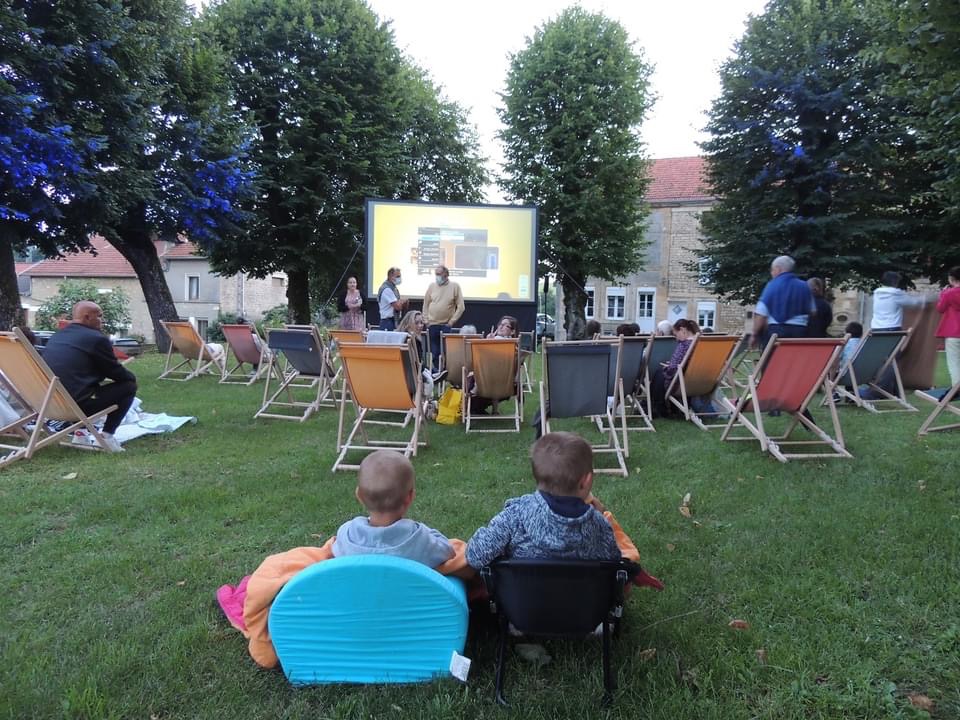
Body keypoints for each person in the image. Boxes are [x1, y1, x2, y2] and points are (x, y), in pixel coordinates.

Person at [465, 432, 645, 568]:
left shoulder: (514, 515)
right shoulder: (599, 526)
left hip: (522, 609)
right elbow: (613, 566)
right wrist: (600, 516)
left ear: (536, 475)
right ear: (586, 481)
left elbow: (474, 556)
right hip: (582, 611)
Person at [41, 301, 137, 453]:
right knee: (129, 386)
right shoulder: (96, 339)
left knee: (85, 386)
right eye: (99, 316)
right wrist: (131, 376)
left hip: (49, 403)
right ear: (87, 317)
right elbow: (115, 372)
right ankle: (106, 437)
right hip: (77, 405)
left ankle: (80, 434)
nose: (102, 320)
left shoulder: (58, 336)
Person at [332, 450, 455, 567]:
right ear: (410, 497)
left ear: (359, 496)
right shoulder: (421, 540)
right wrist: (425, 531)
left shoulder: (346, 535)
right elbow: (448, 551)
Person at [752, 255, 815, 348]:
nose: (772, 273)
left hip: (776, 331)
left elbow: (761, 314)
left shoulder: (772, 286)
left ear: (778, 269)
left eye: (772, 270)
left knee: (772, 361)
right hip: (800, 332)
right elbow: (813, 311)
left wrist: (754, 334)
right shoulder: (805, 286)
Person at [650, 318, 699, 418]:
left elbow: (672, 369)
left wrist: (669, 366)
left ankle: (658, 408)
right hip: (700, 380)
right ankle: (668, 408)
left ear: (682, 330)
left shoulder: (684, 345)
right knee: (661, 374)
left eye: (676, 335)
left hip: (682, 382)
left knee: (659, 374)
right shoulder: (701, 343)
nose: (676, 339)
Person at [422, 265, 464, 373]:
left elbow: (461, 307)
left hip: (445, 325)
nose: (437, 276)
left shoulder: (455, 286)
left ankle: (444, 375)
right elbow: (426, 304)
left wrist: (451, 322)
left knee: (444, 353)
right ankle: (434, 375)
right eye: (436, 274)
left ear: (446, 274)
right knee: (433, 353)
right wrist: (426, 321)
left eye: (439, 274)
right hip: (431, 325)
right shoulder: (432, 286)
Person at [935, 266, 960, 386]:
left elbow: (940, 308)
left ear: (951, 278)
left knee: (954, 363)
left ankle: (957, 389)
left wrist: (943, 293)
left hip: (953, 333)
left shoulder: (948, 293)